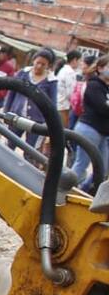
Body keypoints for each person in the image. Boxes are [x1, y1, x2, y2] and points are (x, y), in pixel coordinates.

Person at [4, 48, 58, 150]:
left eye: (43, 64)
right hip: (16, 116)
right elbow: (11, 93)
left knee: (30, 151)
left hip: (37, 121)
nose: (39, 66)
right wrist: (6, 111)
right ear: (33, 61)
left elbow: (52, 104)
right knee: (9, 145)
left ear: (48, 66)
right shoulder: (23, 73)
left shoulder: (51, 81)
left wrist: (49, 123)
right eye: (38, 63)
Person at [71, 54, 109, 192]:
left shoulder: (106, 88)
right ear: (100, 68)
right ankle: (64, 188)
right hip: (89, 129)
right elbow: (102, 108)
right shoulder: (94, 85)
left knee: (103, 168)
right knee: (82, 164)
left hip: (103, 133)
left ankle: (84, 189)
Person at [56, 48, 83, 128]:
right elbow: (70, 94)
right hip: (63, 106)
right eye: (80, 60)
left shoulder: (64, 70)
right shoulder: (70, 72)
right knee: (59, 131)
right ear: (75, 60)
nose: (80, 63)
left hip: (59, 104)